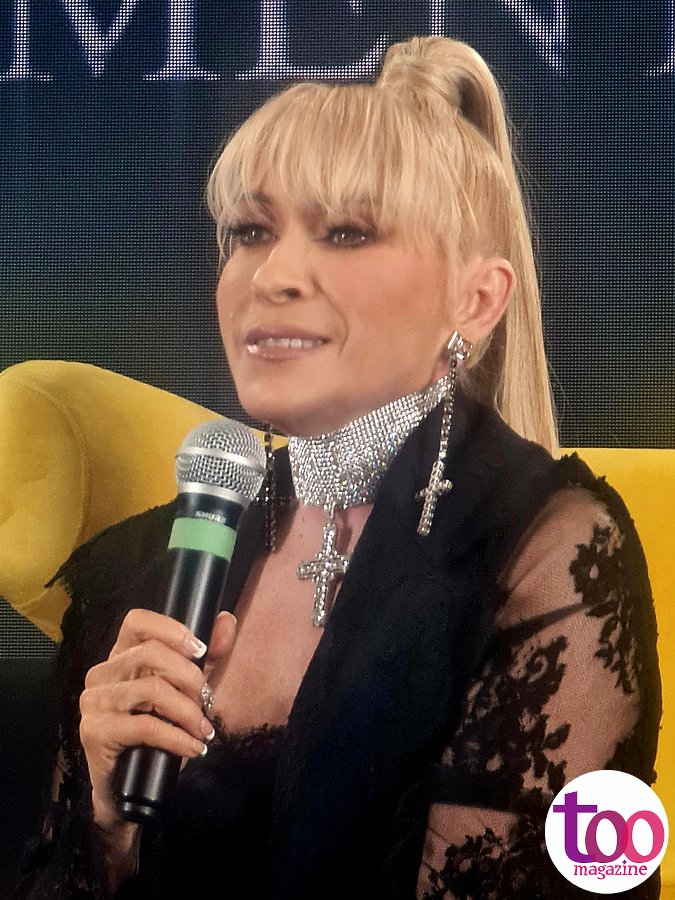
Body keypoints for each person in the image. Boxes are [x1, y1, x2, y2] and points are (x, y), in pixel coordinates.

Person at [16, 35, 661, 899]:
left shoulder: (553, 553)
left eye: (347, 232)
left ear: (475, 300)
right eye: (250, 231)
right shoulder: (145, 565)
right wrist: (106, 828)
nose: (272, 275)